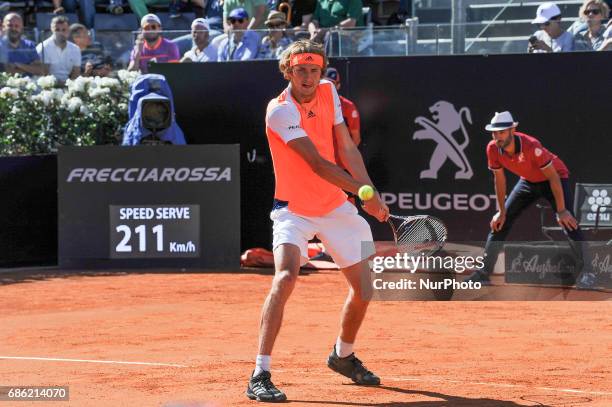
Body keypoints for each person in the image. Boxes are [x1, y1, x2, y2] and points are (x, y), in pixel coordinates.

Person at [245, 39, 389, 402]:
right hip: (293, 210)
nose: (308, 77)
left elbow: (346, 148)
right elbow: (318, 165)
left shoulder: (328, 92)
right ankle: (260, 373)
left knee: (365, 288)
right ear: (288, 71)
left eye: (314, 70)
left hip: (335, 207)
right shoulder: (279, 111)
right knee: (285, 275)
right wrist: (363, 194)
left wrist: (370, 191)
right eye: (300, 70)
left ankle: (342, 355)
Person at [466, 111, 595, 289]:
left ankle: (589, 274)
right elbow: (500, 179)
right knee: (500, 223)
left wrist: (562, 210)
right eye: (494, 132)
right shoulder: (492, 148)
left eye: (502, 132)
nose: (497, 136)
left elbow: (553, 177)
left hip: (554, 178)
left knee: (568, 222)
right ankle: (482, 274)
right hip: (527, 181)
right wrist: (501, 211)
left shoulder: (532, 146)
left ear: (513, 129)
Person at [36, 16, 81, 83]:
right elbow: (45, 74)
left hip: (68, 86)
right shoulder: (43, 47)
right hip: (48, 87)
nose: (60, 33)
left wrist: (69, 86)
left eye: (64, 30)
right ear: (52, 29)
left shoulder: (75, 49)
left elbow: (75, 73)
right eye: (57, 30)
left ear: (69, 30)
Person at [324, 66, 360, 146]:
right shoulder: (311, 104)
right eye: (325, 83)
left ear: (338, 85)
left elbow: (356, 138)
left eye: (332, 83)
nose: (328, 86)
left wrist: (347, 156)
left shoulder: (348, 107)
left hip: (340, 156)